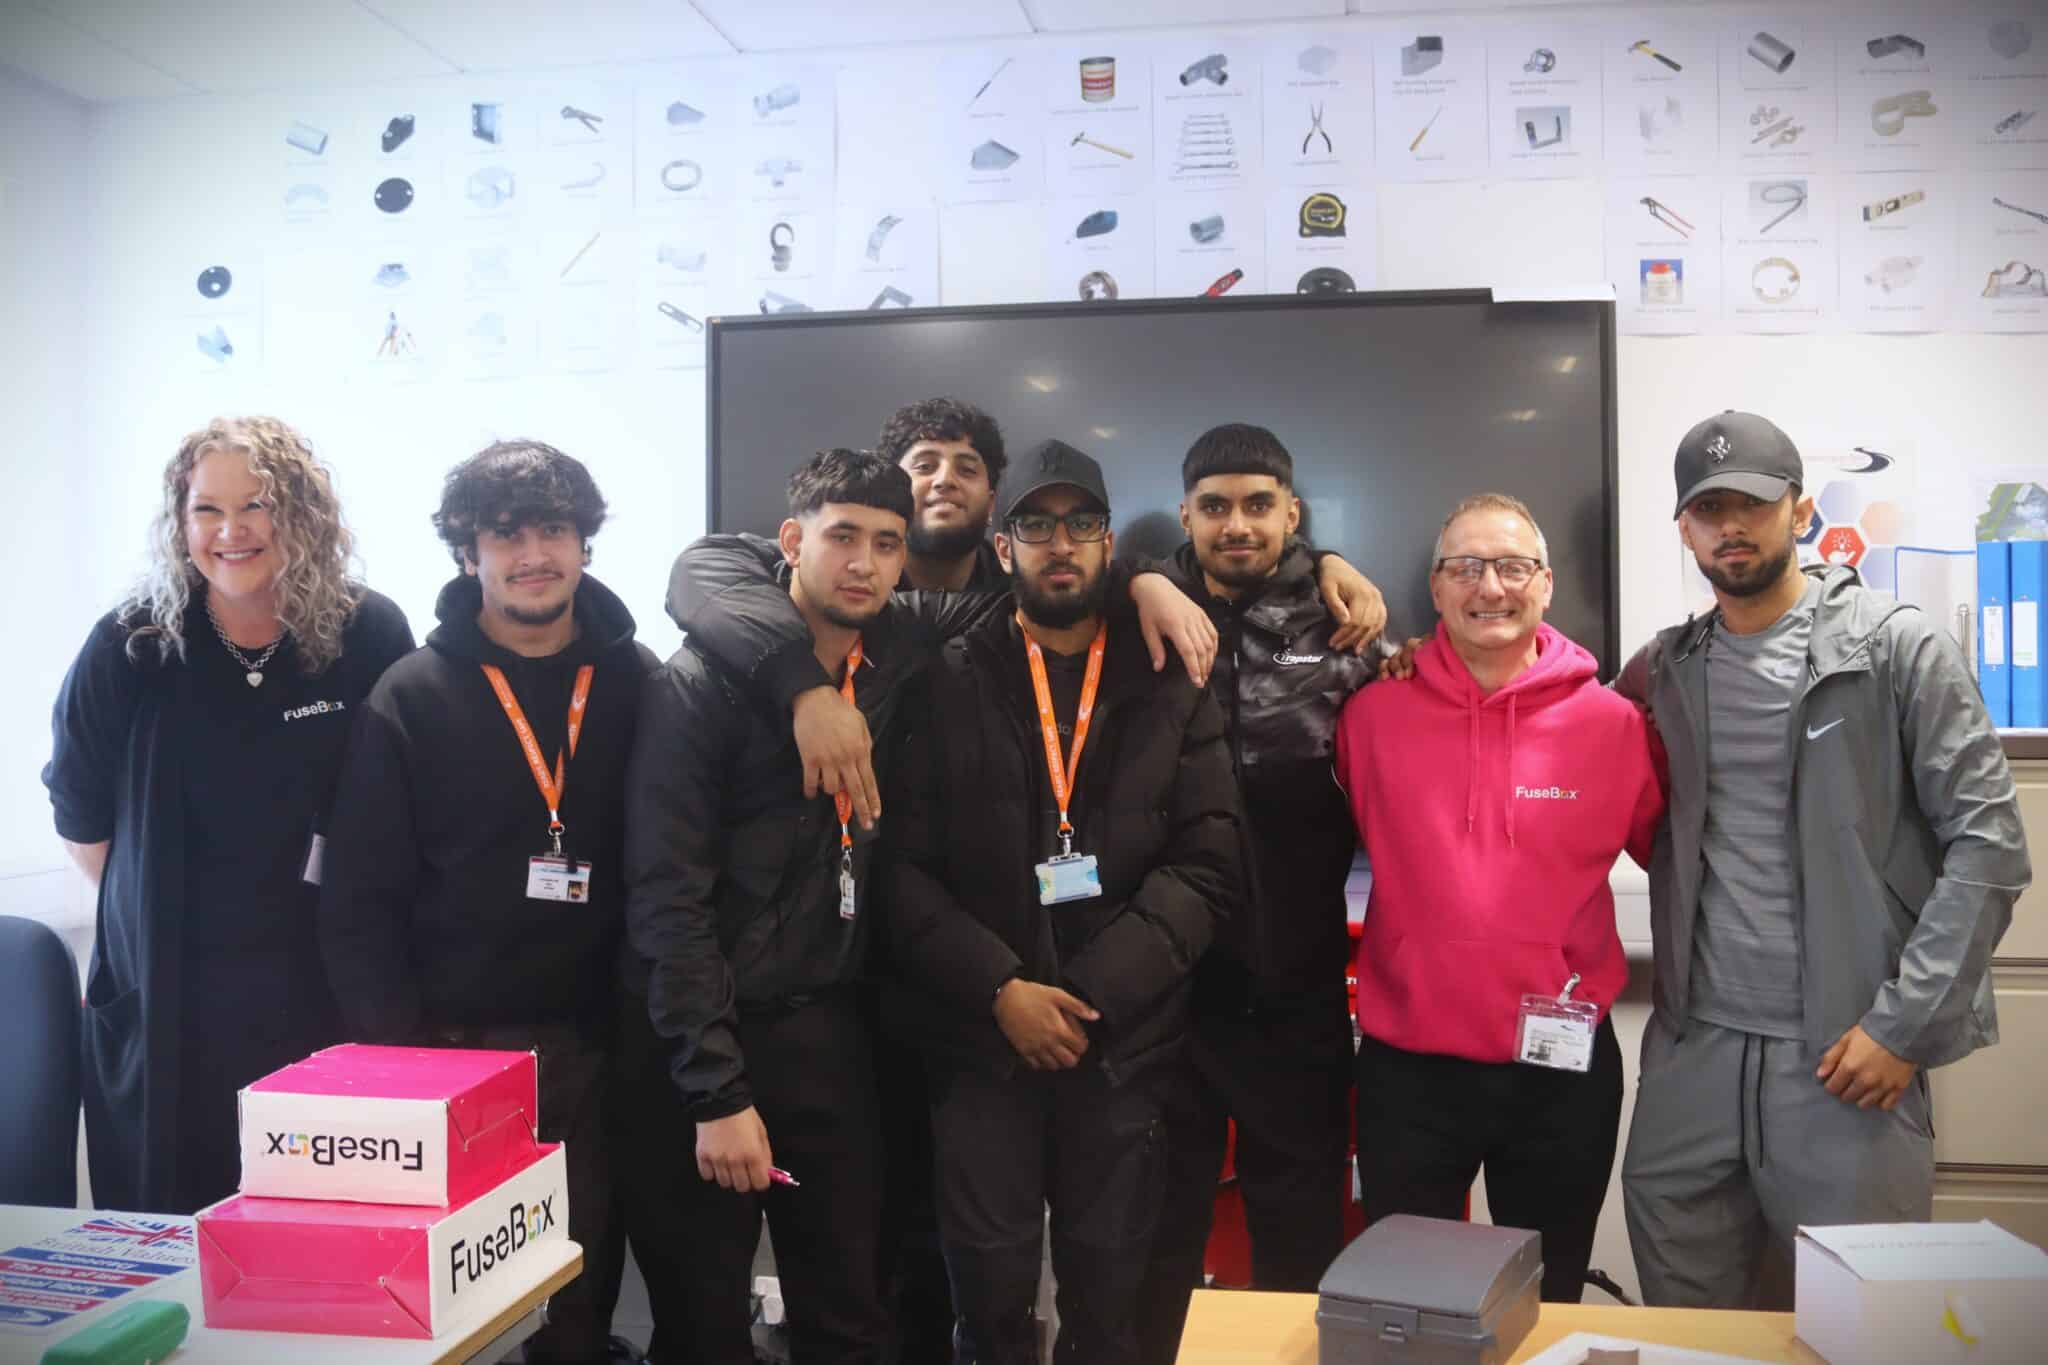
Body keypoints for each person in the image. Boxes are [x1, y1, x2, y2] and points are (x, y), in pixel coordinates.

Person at [1618, 412, 2029, 1309]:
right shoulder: (1663, 668)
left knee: (1862, 1327)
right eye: (1709, 508)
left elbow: (1991, 845)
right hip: (1692, 1059)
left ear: (1799, 510)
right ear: (1682, 526)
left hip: (1847, 1058)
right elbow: (1564, 734)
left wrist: (1904, 1027)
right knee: (1692, 1331)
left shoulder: (1899, 648)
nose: (1733, 525)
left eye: (1755, 505)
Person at [880, 439, 1242, 1365]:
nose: (1060, 544)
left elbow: (1207, 864)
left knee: (1109, 1311)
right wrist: (1003, 991)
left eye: (1080, 523)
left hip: (1121, 1051)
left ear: (1110, 545)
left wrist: (1089, 998)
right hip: (980, 1047)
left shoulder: (1172, 678)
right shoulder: (943, 678)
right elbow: (900, 868)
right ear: (1004, 549)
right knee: (989, 1309)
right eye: (1037, 526)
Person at [620, 449, 970, 1365]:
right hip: (703, 1050)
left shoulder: (899, 654)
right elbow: (670, 901)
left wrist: (1148, 588)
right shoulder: (695, 685)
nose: (863, 563)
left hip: (828, 1039)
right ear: (791, 542)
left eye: (887, 545)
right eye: (841, 536)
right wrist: (717, 1089)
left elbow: (1051, 594)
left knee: (850, 1312)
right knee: (703, 1327)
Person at [319, 440, 654, 1364]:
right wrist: (403, 1072)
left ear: (585, 543)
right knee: (462, 1316)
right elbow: (359, 904)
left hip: (603, 1051)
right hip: (457, 1058)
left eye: (554, 528)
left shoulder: (637, 681)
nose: (533, 552)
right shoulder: (410, 697)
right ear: (468, 554)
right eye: (504, 534)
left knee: (579, 1304)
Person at [42, 416, 414, 1216]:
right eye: (207, 508)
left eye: (258, 505)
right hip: (173, 1002)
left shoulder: (366, 632)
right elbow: (81, 813)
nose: (231, 530)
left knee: (319, 1228)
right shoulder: (131, 643)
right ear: (181, 523)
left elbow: (399, 805)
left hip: (322, 988)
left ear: (304, 516)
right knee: (175, 1238)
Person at [1333, 492, 1662, 1304]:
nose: (1492, 586)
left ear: (1546, 584)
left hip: (1561, 1072)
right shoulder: (1370, 713)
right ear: (1437, 588)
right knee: (1408, 1305)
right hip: (1410, 1068)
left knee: (1544, 1302)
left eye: (1513, 566)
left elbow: (1681, 864)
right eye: (1467, 567)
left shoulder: (1615, 724)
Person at [1135, 425, 1382, 1364]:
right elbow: (1041, 586)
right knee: (1155, 1248)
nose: (1236, 525)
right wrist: (1139, 577)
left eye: (1257, 504)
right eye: (1214, 506)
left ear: (1292, 512)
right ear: (1187, 514)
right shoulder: (1135, 621)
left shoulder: (1346, 632)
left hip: (1298, 993)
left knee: (1302, 1249)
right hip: (1167, 998)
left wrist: (1333, 572)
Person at [879, 397, 1011, 592]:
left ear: (991, 503)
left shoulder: (1025, 603)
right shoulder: (843, 588)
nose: (945, 480)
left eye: (967, 469)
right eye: (924, 466)